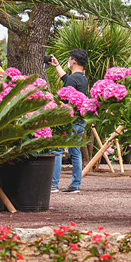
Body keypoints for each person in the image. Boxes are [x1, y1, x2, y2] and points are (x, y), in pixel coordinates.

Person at [48, 48, 89, 194]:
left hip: (69, 120)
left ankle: (53, 185)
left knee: (57, 149)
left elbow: (65, 93)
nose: (68, 61)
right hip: (80, 120)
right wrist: (57, 66)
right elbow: (67, 80)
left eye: (69, 59)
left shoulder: (72, 79)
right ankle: (75, 185)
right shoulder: (83, 78)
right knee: (75, 151)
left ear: (74, 61)